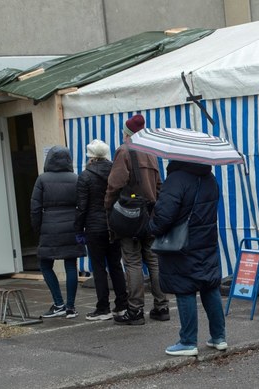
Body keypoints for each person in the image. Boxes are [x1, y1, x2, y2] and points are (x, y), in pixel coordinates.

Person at [148, 160, 226, 356]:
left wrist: (150, 227)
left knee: (185, 289)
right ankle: (219, 337)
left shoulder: (176, 179)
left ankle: (188, 341)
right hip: (206, 241)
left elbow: (163, 217)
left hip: (181, 245)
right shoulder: (210, 178)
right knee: (209, 286)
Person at [104, 114, 169, 325]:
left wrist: (108, 207)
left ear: (127, 133)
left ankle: (135, 310)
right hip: (150, 213)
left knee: (132, 262)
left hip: (130, 215)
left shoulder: (124, 151)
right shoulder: (151, 151)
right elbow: (159, 185)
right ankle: (162, 306)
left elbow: (115, 184)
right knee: (154, 260)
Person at [75, 139, 129, 320]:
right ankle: (122, 305)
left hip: (94, 226)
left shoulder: (85, 176)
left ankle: (103, 308)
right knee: (116, 265)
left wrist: (78, 229)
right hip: (114, 224)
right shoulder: (116, 170)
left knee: (98, 268)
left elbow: (82, 206)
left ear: (90, 156)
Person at [31, 146, 86, 319]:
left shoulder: (42, 180)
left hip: (49, 226)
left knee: (45, 265)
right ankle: (70, 307)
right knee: (71, 266)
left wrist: (37, 229)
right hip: (71, 224)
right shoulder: (76, 178)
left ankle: (58, 303)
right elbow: (83, 205)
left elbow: (35, 208)